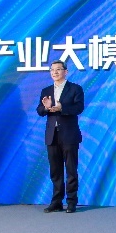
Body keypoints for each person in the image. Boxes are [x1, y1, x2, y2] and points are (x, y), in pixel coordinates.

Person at [37, 60, 84, 213]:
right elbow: (39, 111)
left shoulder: (75, 88)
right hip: (52, 135)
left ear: (65, 71)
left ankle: (71, 202)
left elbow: (79, 108)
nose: (55, 72)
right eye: (52, 70)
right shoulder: (46, 90)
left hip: (69, 135)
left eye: (58, 69)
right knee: (55, 171)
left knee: (71, 169)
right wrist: (46, 108)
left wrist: (61, 107)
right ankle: (56, 202)